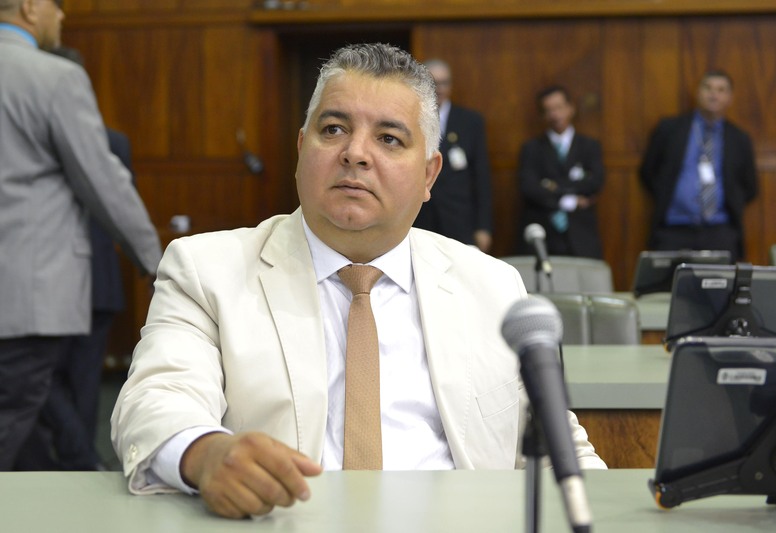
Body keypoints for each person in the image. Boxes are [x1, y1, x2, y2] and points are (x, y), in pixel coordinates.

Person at [111, 43, 606, 520]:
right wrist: (205, 454)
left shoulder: (491, 286)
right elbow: (156, 398)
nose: (355, 153)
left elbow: (559, 448)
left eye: (389, 139)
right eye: (333, 129)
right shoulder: (208, 270)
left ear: (429, 174)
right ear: (302, 149)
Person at [0, 0, 162, 471]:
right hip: (29, 297)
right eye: (57, 5)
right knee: (13, 423)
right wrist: (156, 261)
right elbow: (103, 182)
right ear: (30, 7)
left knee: (27, 433)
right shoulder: (54, 78)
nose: (63, 17)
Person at [640, 70, 758, 260]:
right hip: (674, 228)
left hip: (720, 230)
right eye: (708, 88)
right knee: (666, 279)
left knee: (723, 279)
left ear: (730, 98)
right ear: (698, 92)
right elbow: (648, 172)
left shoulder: (739, 138)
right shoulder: (669, 129)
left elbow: (750, 186)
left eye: (721, 90)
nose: (713, 94)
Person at [412, 59, 493, 253]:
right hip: (419, 217)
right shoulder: (411, 118)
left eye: (444, 83)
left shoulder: (470, 121)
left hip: (459, 219)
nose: (439, 89)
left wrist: (483, 226)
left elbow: (481, 177)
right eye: (433, 83)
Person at [516, 85, 605, 259]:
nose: (555, 115)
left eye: (559, 107)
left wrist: (551, 186)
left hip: (581, 237)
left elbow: (595, 182)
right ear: (543, 115)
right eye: (549, 110)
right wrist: (569, 200)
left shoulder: (589, 146)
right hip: (543, 234)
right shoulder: (531, 148)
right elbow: (529, 188)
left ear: (571, 108)